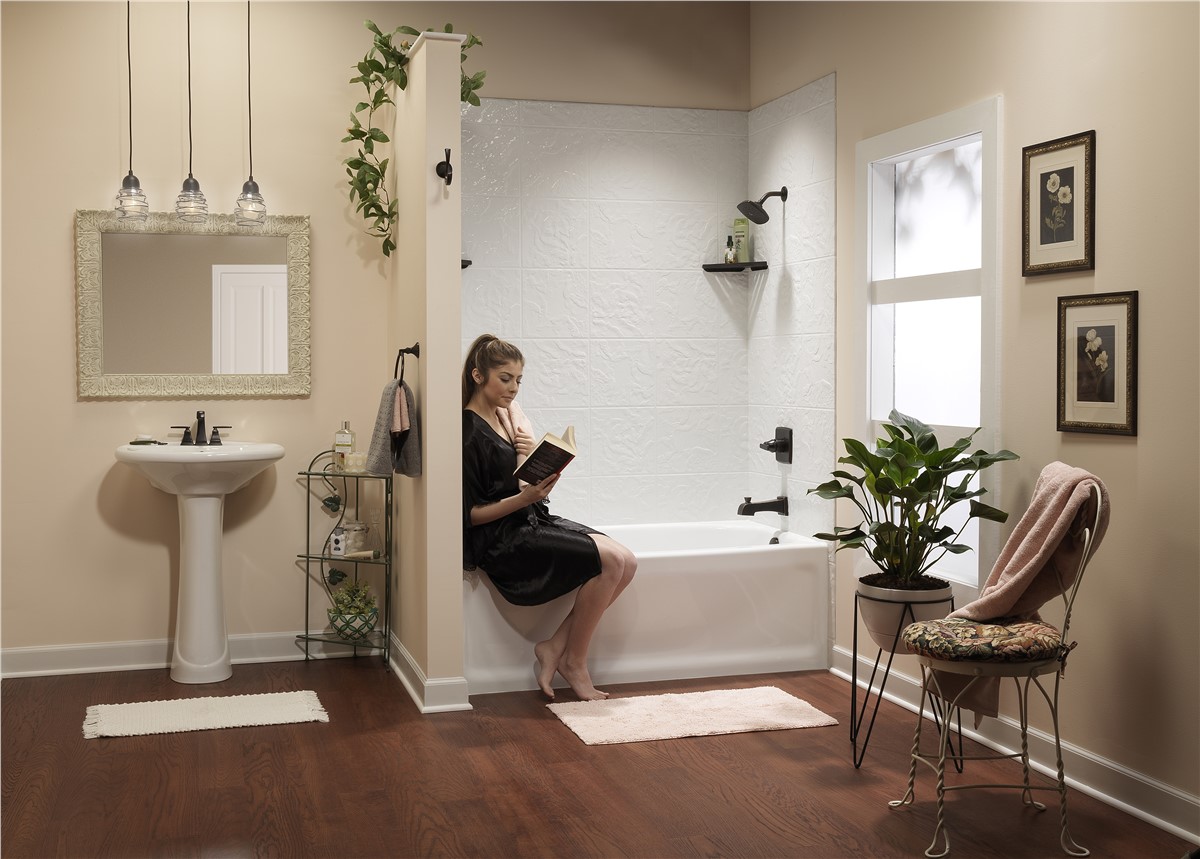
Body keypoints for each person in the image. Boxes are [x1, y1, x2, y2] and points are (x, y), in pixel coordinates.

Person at [462, 334, 637, 701]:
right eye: (505, 378)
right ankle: (574, 662)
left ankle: (555, 647)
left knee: (627, 561)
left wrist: (531, 464)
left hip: (530, 518)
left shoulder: (505, 419)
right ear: (478, 376)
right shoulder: (467, 433)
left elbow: (517, 485)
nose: (513, 388)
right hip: (501, 538)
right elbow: (473, 516)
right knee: (608, 562)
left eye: (518, 380)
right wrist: (525, 495)